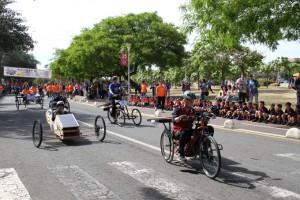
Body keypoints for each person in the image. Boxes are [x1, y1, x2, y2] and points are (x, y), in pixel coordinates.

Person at [172, 90, 196, 161]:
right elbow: (173, 120)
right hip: (178, 131)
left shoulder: (192, 110)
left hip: (188, 129)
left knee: (205, 130)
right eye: (190, 100)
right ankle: (181, 154)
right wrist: (179, 117)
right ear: (185, 100)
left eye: (193, 100)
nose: (192, 102)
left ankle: (200, 150)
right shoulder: (178, 109)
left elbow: (196, 117)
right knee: (185, 131)